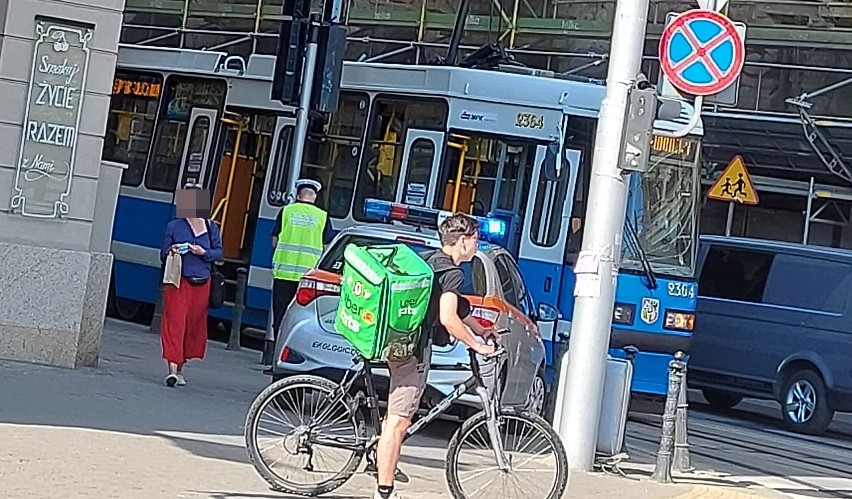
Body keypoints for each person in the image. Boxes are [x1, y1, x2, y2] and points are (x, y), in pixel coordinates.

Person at [374, 213, 498, 499]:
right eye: (476, 239)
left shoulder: (431, 261)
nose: (478, 245)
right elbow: (449, 317)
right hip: (410, 350)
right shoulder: (453, 273)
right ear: (463, 241)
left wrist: (482, 330)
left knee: (395, 416)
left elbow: (458, 307)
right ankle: (384, 491)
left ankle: (382, 457)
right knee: (399, 420)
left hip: (398, 342)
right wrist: (478, 346)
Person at [267, 178, 335, 367]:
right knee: (302, 317)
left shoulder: (287, 211)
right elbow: (327, 245)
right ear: (314, 196)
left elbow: (274, 240)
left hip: (284, 274)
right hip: (308, 277)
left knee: (280, 316)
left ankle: (276, 358)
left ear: (298, 195)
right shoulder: (322, 216)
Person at [159, 188, 223, 387]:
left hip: (202, 282)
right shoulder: (174, 226)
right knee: (175, 324)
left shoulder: (211, 227)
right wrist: (172, 250)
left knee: (192, 327)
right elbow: (163, 254)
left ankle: (181, 368)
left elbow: (219, 253)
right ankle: (171, 369)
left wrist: (203, 252)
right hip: (179, 281)